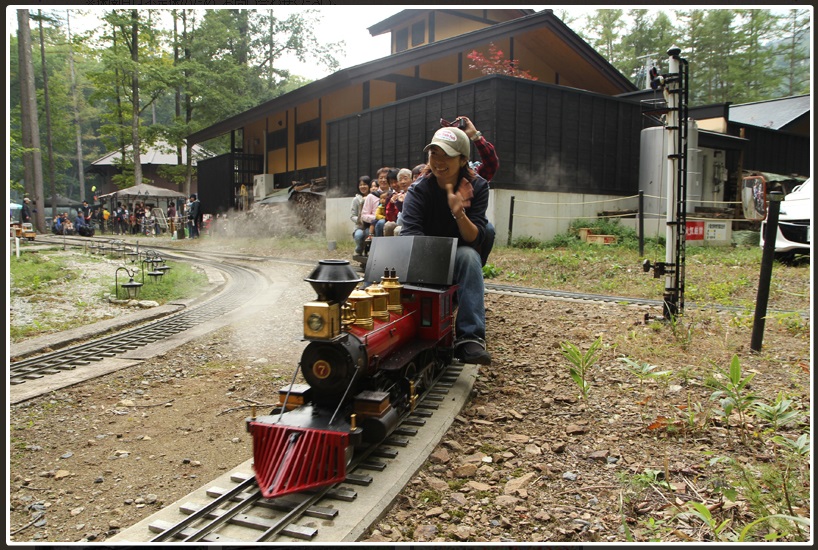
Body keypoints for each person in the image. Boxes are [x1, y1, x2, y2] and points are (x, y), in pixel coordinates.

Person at [400, 125, 492, 366]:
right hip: (425, 251)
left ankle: (469, 337)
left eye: (447, 155)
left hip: (460, 248)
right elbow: (410, 236)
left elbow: (475, 237)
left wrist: (459, 213)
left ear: (463, 159)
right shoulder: (418, 190)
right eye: (434, 154)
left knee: (471, 255)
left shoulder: (478, 186)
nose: (439, 161)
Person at [350, 176, 372, 255]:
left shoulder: (372, 197)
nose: (362, 187)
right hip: (359, 226)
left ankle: (367, 253)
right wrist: (360, 220)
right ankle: (358, 250)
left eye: (365, 184)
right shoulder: (356, 199)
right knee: (359, 235)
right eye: (360, 185)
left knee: (367, 234)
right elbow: (352, 216)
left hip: (370, 226)